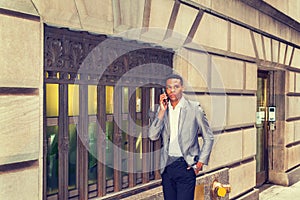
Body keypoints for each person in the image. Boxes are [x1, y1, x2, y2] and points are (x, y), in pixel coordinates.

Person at [148, 73, 214, 200]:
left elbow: (208, 137)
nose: (172, 90)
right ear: (165, 90)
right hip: (167, 167)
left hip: (186, 166)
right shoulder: (163, 110)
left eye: (176, 87)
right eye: (169, 87)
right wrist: (161, 111)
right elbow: (152, 136)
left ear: (182, 88)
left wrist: (199, 164)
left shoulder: (194, 109)